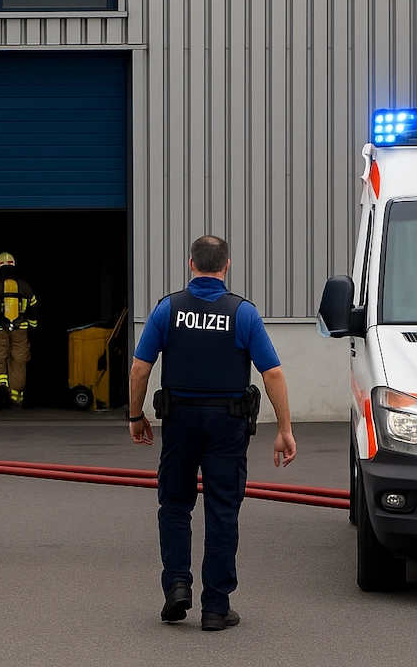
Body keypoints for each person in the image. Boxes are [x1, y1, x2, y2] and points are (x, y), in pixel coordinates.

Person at [128, 235, 296, 630]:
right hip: (227, 424)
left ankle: (177, 587)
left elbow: (140, 368)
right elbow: (272, 372)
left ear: (191, 264)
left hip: (181, 422)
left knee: (174, 504)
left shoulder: (167, 310)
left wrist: (136, 416)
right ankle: (216, 608)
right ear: (227, 265)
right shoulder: (243, 314)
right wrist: (284, 429)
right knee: (222, 511)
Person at [0, 252, 38, 408]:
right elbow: (34, 309)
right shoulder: (25, 287)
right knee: (19, 362)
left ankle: (0, 393)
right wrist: (32, 327)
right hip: (21, 331)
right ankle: (16, 399)